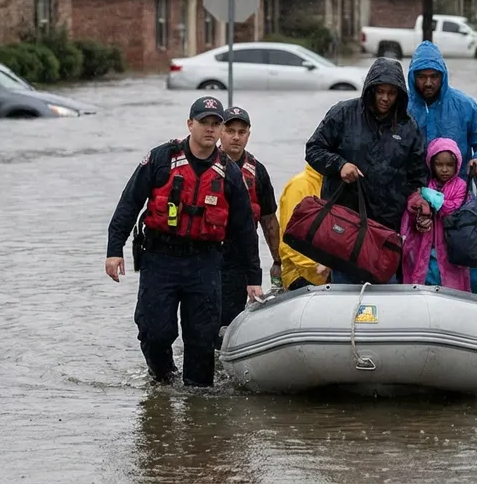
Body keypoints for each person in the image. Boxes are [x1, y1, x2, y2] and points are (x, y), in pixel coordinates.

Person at [104, 95, 262, 387]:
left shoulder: (229, 172)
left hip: (205, 262)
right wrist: (114, 251)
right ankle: (163, 380)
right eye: (204, 122)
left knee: (202, 339)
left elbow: (244, 230)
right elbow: (129, 203)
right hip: (160, 259)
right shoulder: (161, 159)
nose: (210, 129)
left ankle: (198, 409)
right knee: (154, 332)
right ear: (190, 124)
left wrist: (254, 276)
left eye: (216, 124)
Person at [305, 57, 428, 284]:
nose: (385, 98)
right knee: (344, 292)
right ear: (370, 89)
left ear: (399, 95)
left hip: (386, 228)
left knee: (387, 294)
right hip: (345, 222)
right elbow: (313, 150)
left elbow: (418, 176)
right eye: (380, 91)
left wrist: (418, 204)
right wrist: (340, 165)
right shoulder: (343, 114)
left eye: (391, 93)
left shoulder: (409, 127)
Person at [216, 105, 281, 339]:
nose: (235, 137)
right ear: (220, 132)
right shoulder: (204, 163)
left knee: (229, 321)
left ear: (248, 135)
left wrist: (278, 260)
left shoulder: (258, 172)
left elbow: (269, 220)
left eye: (241, 132)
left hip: (239, 258)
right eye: (230, 130)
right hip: (206, 252)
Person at [405, 40, 477, 179]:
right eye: (422, 77)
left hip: (459, 193)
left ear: (443, 76)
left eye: (434, 76)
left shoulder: (464, 105)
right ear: (413, 77)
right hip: (414, 192)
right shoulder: (401, 106)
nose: (428, 83)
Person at [400, 137, 471, 291]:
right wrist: (419, 211)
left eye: (449, 165)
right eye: (439, 164)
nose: (444, 169)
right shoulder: (425, 183)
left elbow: (455, 208)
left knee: (451, 282)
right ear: (431, 164)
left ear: (457, 165)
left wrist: (433, 199)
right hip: (426, 245)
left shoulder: (461, 187)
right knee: (425, 277)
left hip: (449, 247)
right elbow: (412, 206)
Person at [276, 163, 330, 290]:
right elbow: (289, 239)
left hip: (329, 274)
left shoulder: (336, 185)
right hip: (300, 274)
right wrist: (315, 265)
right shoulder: (299, 186)